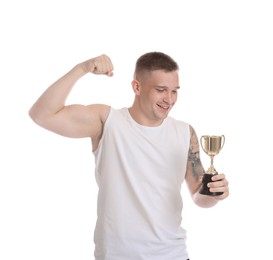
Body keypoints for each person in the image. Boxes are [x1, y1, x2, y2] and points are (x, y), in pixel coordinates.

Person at [29, 52, 229, 260]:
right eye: (161, 90)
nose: (169, 99)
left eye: (174, 91)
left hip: (172, 254)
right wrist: (82, 68)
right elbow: (41, 114)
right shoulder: (107, 122)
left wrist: (214, 193)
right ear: (137, 87)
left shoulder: (185, 132)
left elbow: (199, 196)